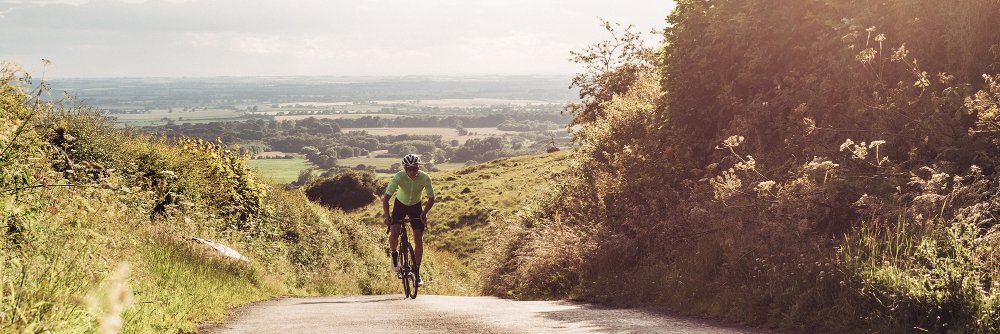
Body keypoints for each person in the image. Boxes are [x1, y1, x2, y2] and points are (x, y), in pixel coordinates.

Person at [382, 153, 435, 286]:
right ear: (405, 169)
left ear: (418, 167)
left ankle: (416, 272)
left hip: (416, 206)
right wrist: (387, 217)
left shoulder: (425, 178)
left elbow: (431, 198)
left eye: (415, 168)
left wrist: (424, 213)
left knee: (418, 237)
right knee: (394, 232)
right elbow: (386, 198)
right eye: (409, 169)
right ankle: (394, 255)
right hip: (400, 205)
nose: (412, 171)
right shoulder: (399, 177)